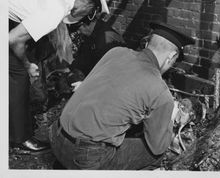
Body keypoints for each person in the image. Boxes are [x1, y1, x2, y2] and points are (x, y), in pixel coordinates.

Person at [49, 20, 195, 169]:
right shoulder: (161, 92)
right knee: (155, 154)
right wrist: (170, 118)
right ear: (171, 56)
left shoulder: (116, 52)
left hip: (56, 136)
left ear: (147, 44)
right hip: (85, 157)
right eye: (174, 61)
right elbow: (157, 147)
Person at [9, 0, 109, 154]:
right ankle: (19, 140)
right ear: (88, 6)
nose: (84, 18)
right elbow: (13, 39)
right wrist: (27, 65)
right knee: (18, 76)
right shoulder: (55, 10)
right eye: (88, 14)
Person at [68, 14, 126, 78]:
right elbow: (84, 55)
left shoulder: (104, 40)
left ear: (85, 25)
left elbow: (102, 73)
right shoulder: (92, 32)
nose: (79, 32)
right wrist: (71, 68)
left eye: (78, 29)